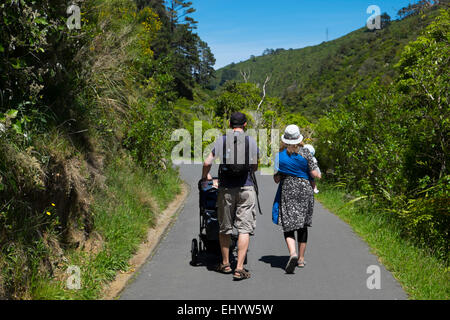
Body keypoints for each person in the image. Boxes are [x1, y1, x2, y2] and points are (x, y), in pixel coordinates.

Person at [202, 112, 259, 281]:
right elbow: (255, 166)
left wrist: (207, 177)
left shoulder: (222, 140)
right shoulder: (251, 141)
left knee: (225, 227)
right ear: (245, 125)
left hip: (226, 189)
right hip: (246, 188)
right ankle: (239, 268)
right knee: (244, 228)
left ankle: (226, 264)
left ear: (230, 124)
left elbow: (207, 162)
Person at [273, 125, 321, 273]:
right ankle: (300, 259)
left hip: (287, 188)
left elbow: (276, 179)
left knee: (288, 223)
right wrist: (318, 175)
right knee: (302, 224)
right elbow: (315, 174)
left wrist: (283, 174)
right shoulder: (306, 153)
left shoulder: (279, 155)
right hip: (305, 189)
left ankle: (292, 253)